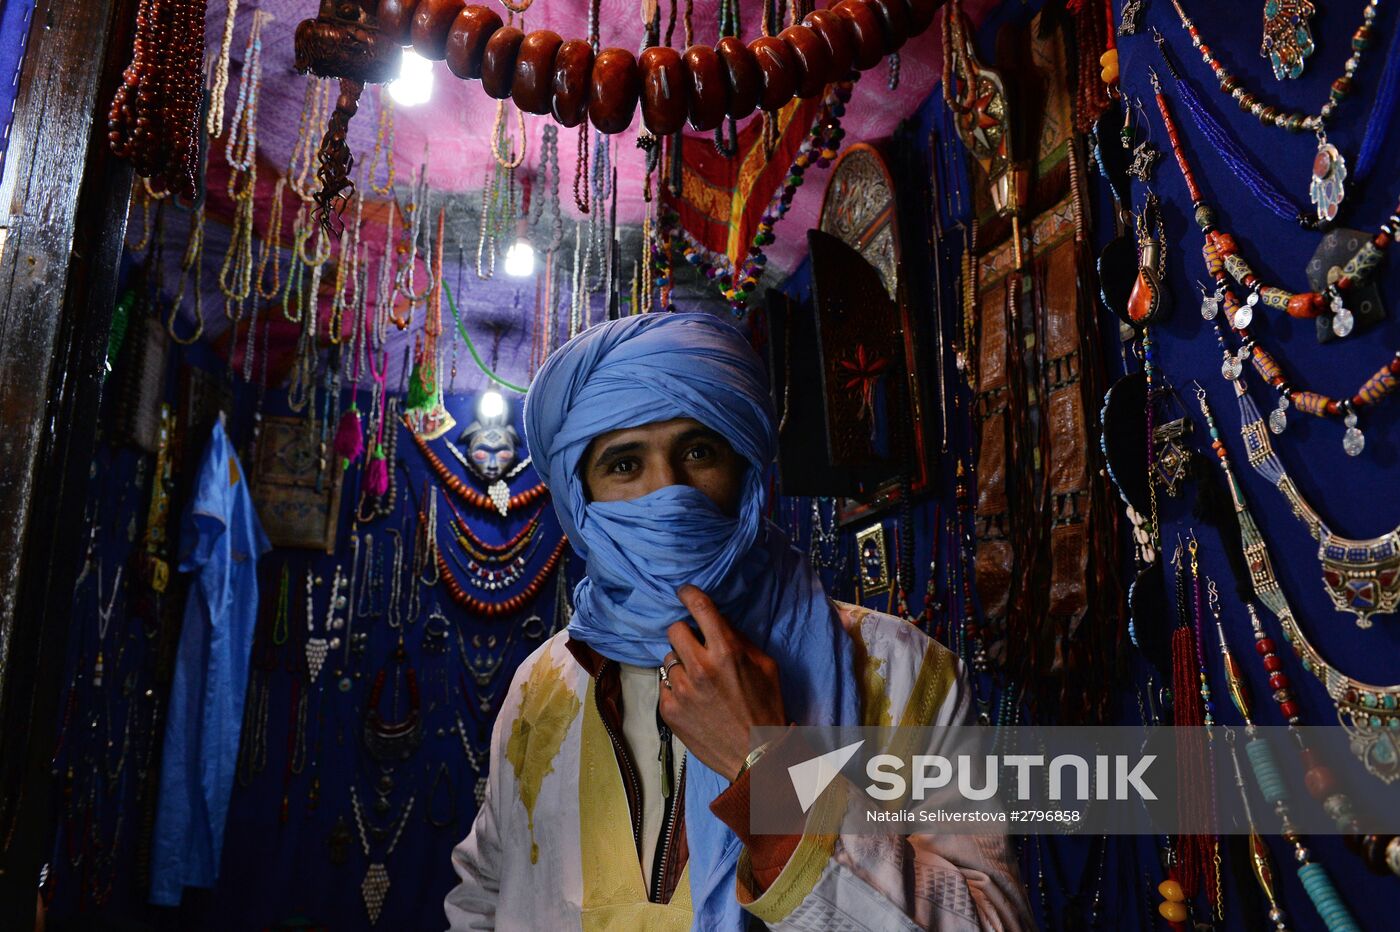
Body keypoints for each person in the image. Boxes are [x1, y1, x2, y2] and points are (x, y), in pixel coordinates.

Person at [444, 312, 1031, 930]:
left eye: (698, 452)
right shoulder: (545, 685)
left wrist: (770, 768)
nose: (668, 492)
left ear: (746, 472)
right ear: (578, 498)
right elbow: (485, 896)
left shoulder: (901, 668)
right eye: (624, 465)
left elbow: (995, 922)